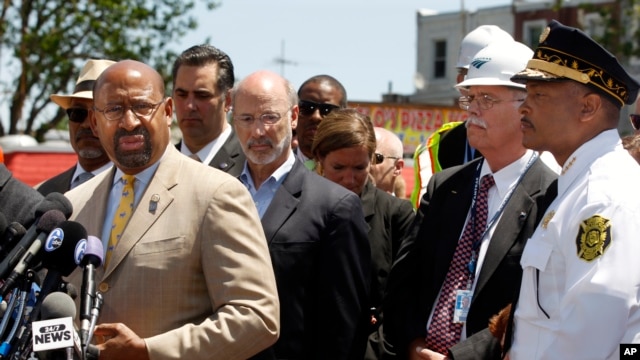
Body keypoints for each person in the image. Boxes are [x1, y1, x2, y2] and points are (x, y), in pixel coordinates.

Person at [64, 60, 279, 360]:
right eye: (113, 109)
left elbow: (256, 317)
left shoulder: (216, 193)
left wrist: (150, 351)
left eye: (142, 106)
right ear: (95, 121)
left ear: (167, 112)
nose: (129, 121)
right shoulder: (73, 205)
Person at [379, 40, 557, 360]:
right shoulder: (446, 186)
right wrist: (413, 343)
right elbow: (403, 282)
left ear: (527, 106)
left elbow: (537, 306)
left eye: (487, 98)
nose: (473, 109)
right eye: (470, 98)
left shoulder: (553, 195)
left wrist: (460, 357)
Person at [507, 20, 640, 359]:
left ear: (588, 107)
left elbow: (592, 330)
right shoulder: (579, 184)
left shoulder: (602, 194)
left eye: (539, 95)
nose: (524, 106)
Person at [231, 70, 370, 360]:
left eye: (269, 117)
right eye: (246, 119)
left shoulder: (335, 206)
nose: (258, 131)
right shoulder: (212, 190)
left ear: (293, 117)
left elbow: (344, 328)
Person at [311, 108, 415, 352]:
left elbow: (405, 299)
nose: (349, 179)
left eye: (359, 168)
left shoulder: (395, 214)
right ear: (320, 159)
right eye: (338, 168)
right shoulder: (295, 207)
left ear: (372, 160)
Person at [410, 25, 513, 208]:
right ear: (461, 83)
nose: (478, 97)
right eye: (473, 81)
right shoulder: (436, 147)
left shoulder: (537, 146)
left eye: (490, 92)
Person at [37, 59, 115, 195]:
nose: (86, 123)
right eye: (77, 113)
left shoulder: (135, 190)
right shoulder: (43, 192)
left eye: (97, 115)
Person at [172, 44, 246, 176]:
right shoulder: (158, 166)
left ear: (228, 100)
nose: (189, 106)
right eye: (182, 95)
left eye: (202, 96)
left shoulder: (251, 165)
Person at [295, 74, 347, 168]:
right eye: (307, 107)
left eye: (327, 110)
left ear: (344, 117)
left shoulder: (353, 174)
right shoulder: (274, 168)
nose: (316, 117)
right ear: (294, 113)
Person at [371, 127, 406, 198]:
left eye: (374, 158)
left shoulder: (403, 208)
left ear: (397, 167)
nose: (364, 164)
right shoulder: (346, 206)